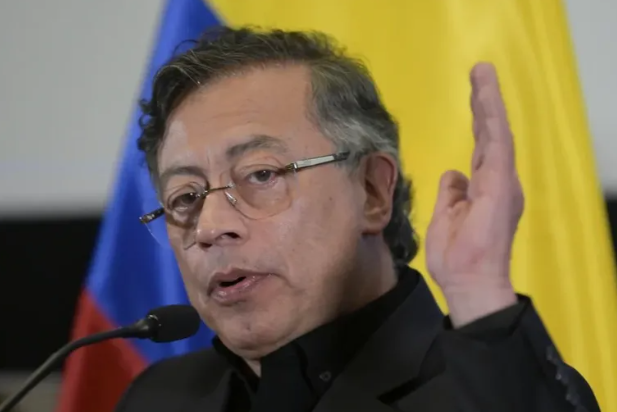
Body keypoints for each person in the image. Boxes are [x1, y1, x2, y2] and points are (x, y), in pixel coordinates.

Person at [116, 26, 599, 412]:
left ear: (371, 191)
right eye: (185, 197)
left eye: (261, 174)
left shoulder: (490, 390)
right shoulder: (158, 398)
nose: (209, 226)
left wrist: (479, 290)